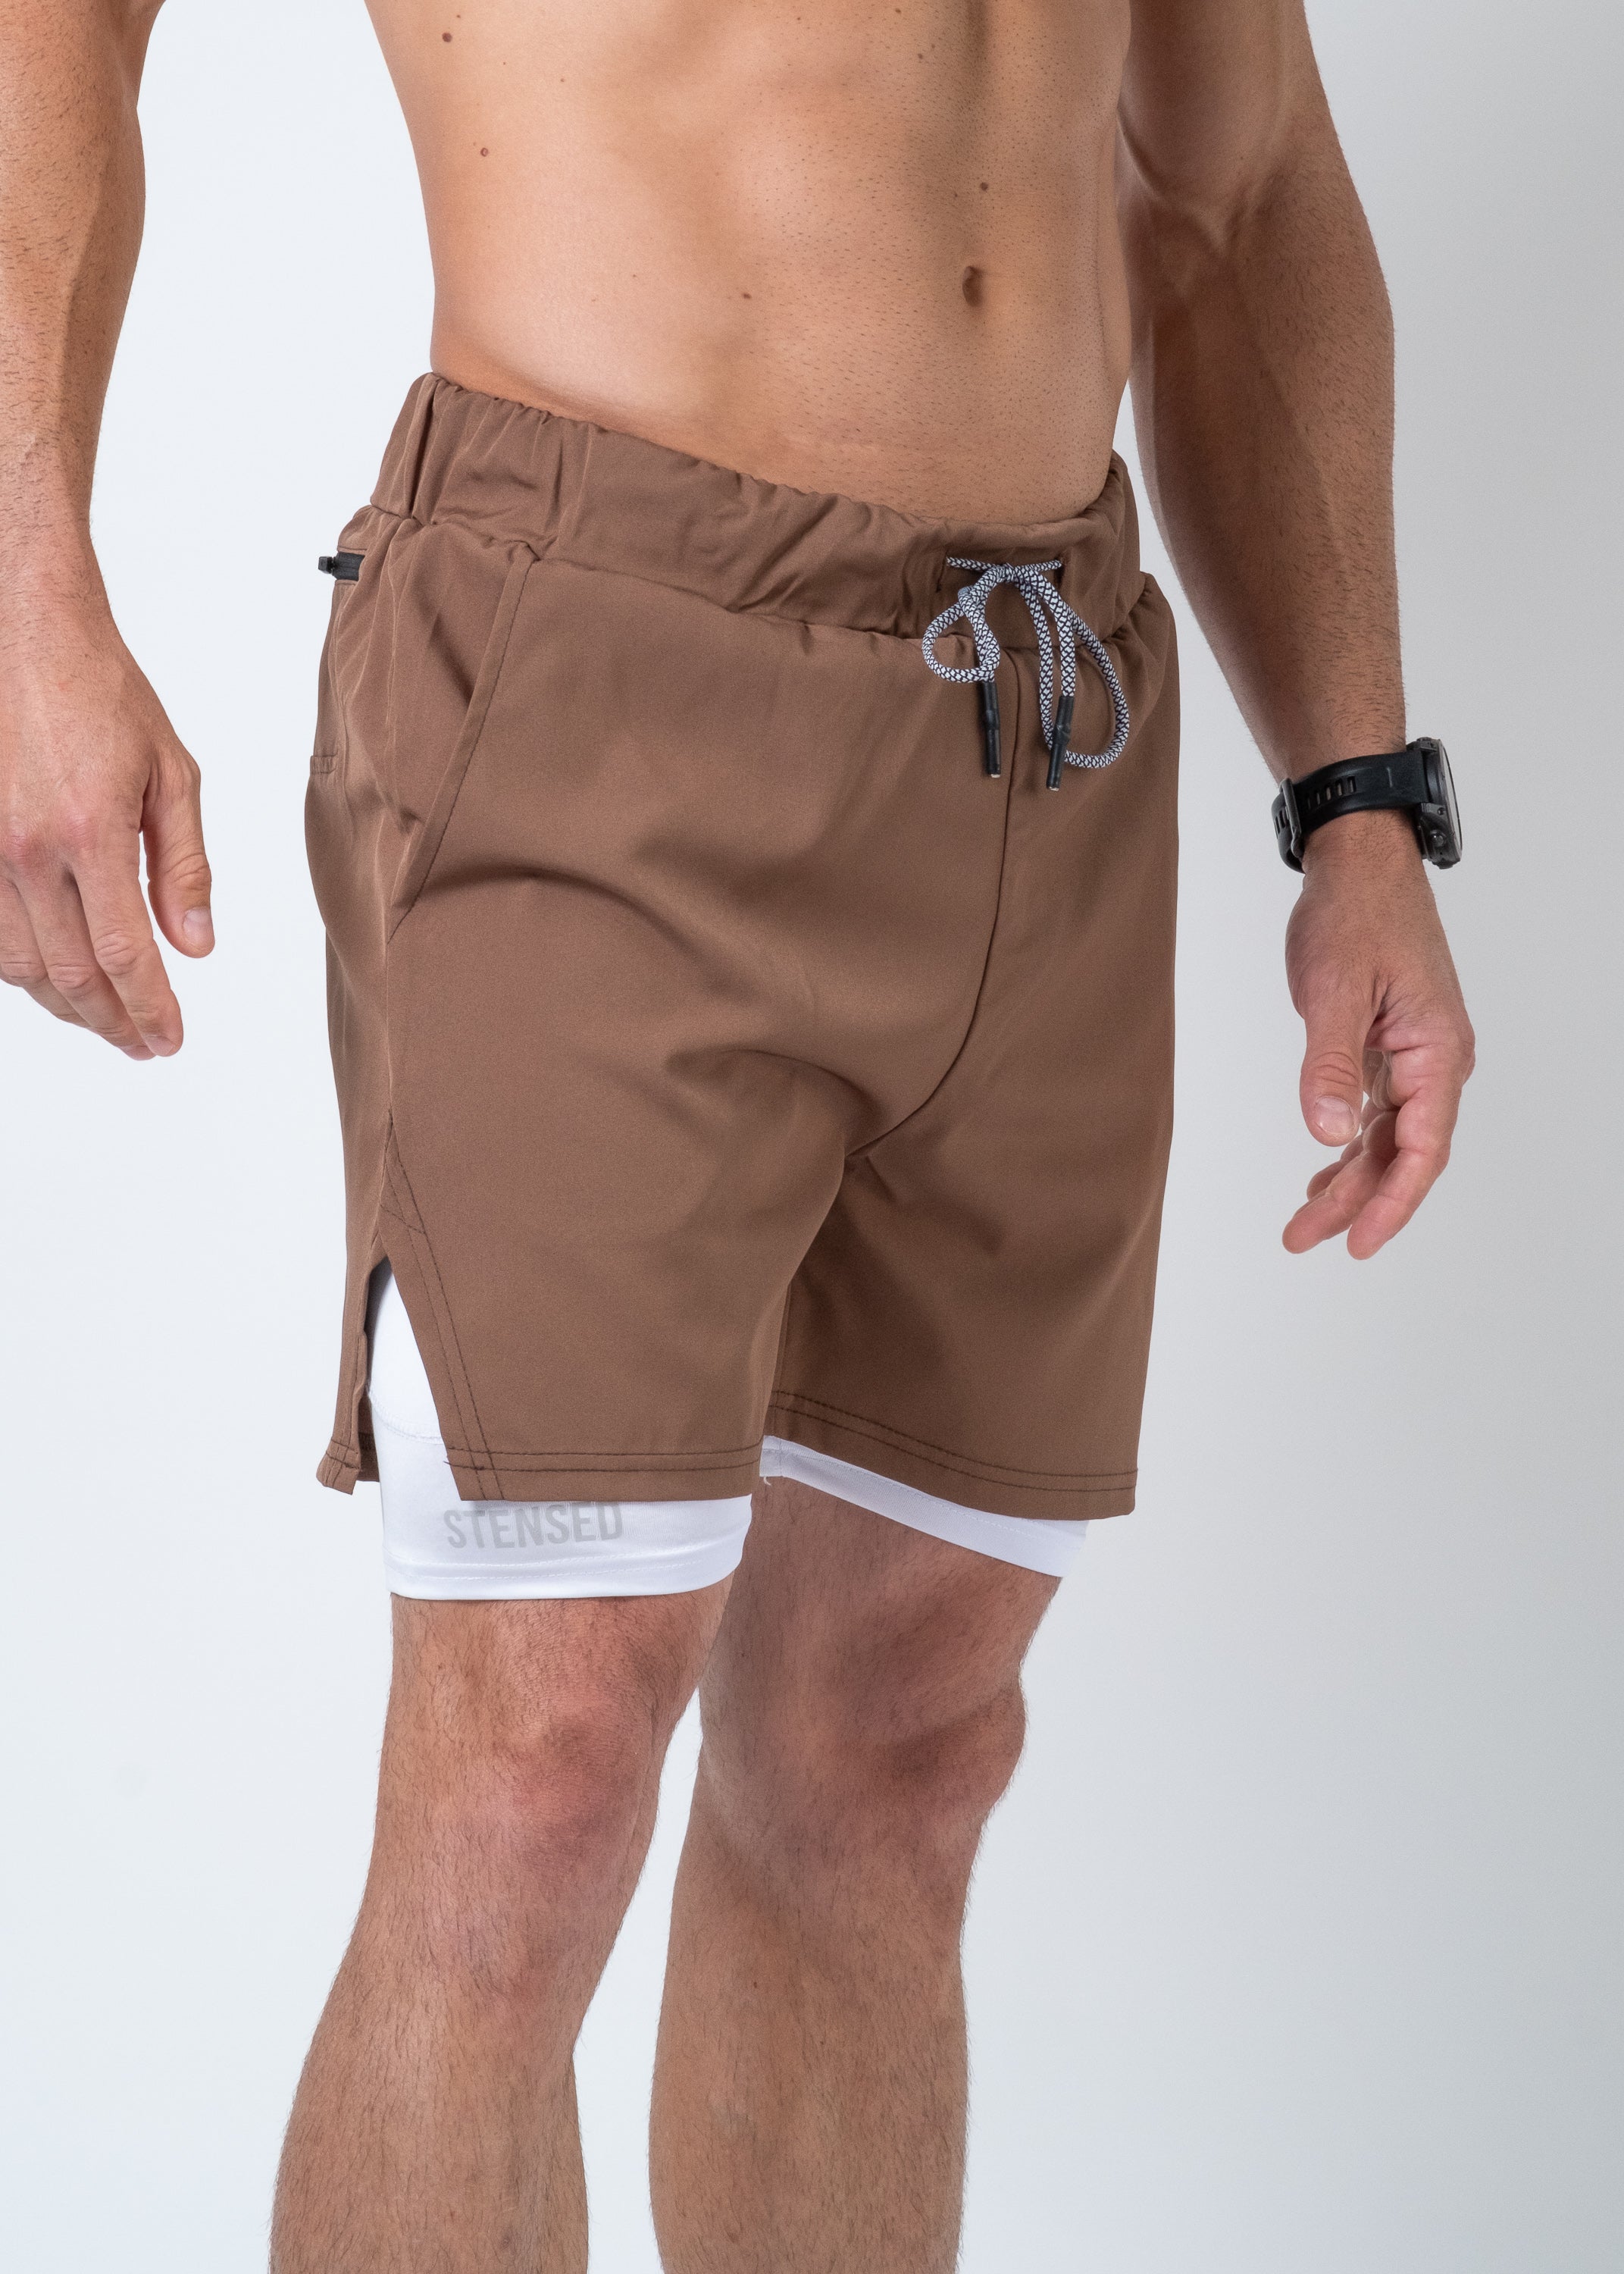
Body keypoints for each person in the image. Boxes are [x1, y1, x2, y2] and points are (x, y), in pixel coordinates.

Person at [0, 2, 1475, 2267]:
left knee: (899, 1752)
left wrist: (1359, 800)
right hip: (595, 665)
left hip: (1044, 713)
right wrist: (24, 597)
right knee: (531, 1782)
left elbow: (1237, 179)